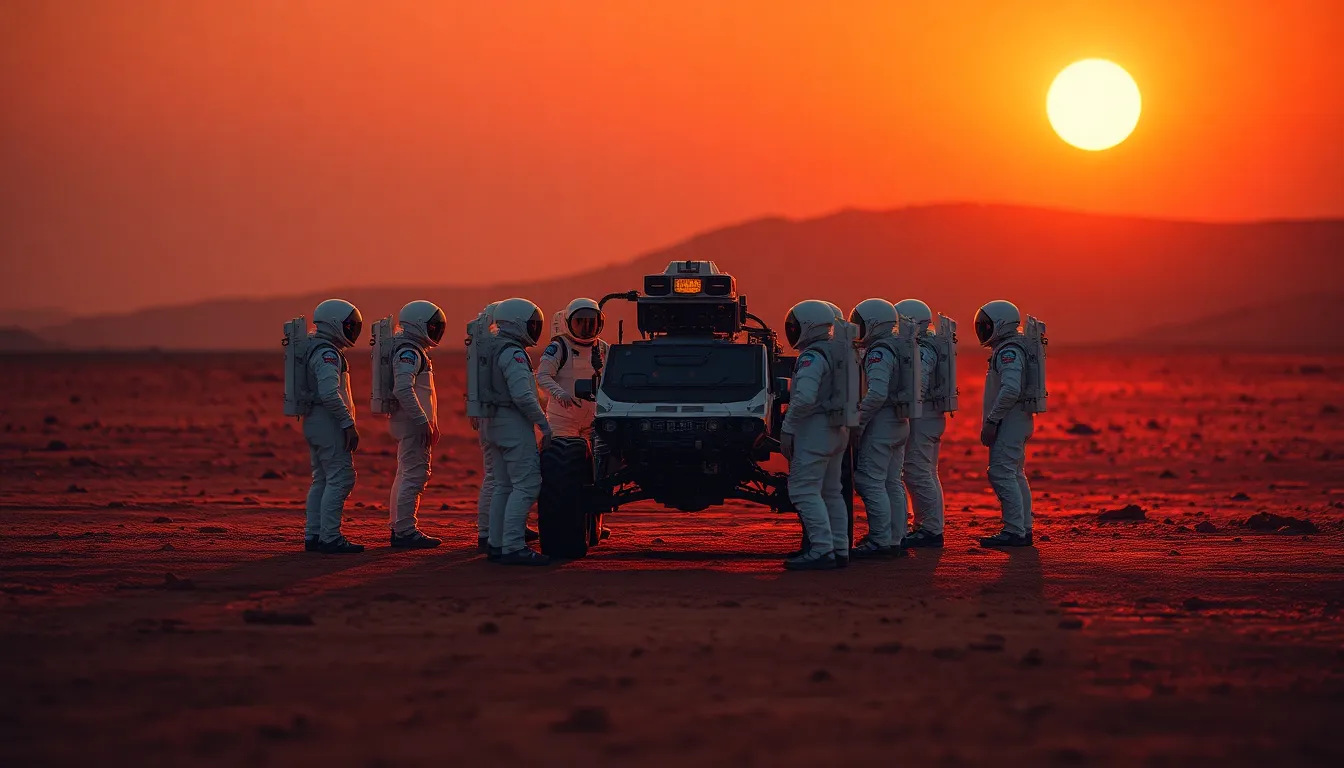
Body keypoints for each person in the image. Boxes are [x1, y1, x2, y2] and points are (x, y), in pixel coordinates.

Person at [482, 298, 554, 565]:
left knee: (503, 485)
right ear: (517, 323)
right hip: (512, 424)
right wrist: (543, 424)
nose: (535, 329)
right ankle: (513, 546)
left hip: (493, 423)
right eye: (531, 324)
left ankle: (496, 543)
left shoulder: (490, 347)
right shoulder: (513, 353)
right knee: (527, 484)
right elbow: (523, 395)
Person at [780, 300, 850, 571]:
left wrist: (788, 427)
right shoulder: (838, 352)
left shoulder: (812, 357)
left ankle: (821, 549)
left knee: (803, 490)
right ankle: (839, 548)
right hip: (837, 429)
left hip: (815, 431)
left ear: (808, 326)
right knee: (831, 492)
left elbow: (805, 397)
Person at [847, 299, 911, 559]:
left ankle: (880, 540)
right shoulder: (897, 346)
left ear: (873, 324)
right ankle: (896, 536)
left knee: (869, 481)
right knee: (891, 482)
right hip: (899, 421)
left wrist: (858, 422)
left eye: (860, 323)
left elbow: (877, 393)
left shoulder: (879, 352)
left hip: (882, 423)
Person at [303, 299, 365, 554]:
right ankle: (330, 537)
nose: (352, 330)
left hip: (316, 420)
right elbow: (329, 393)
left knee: (322, 478)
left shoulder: (316, 348)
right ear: (334, 324)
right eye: (349, 325)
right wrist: (347, 423)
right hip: (328, 421)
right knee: (340, 478)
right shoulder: (327, 354)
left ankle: (314, 534)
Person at [386, 300, 446, 549]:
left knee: (406, 473)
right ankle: (405, 531)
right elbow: (402, 388)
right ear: (419, 324)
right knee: (414, 474)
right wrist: (422, 420)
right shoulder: (409, 352)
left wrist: (429, 420)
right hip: (413, 423)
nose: (436, 331)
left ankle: (400, 527)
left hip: (413, 421)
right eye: (432, 327)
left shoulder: (412, 350)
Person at [975, 300, 1034, 547]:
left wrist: (992, 421)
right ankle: (1023, 528)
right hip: (1016, 419)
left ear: (1000, 324)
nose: (982, 330)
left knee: (1001, 472)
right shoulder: (1011, 348)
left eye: (987, 325)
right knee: (1015, 473)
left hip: (1009, 420)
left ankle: (1014, 530)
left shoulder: (1008, 352)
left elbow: (1010, 389)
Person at [895, 298, 946, 548]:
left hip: (922, 415)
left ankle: (930, 530)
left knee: (917, 471)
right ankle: (927, 526)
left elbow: (919, 384)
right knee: (925, 472)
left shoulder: (923, 349)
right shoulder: (927, 345)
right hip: (928, 415)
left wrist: (903, 404)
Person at [536, 298, 608, 439]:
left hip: (594, 417)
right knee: (561, 450)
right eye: (580, 323)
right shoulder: (560, 347)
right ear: (567, 322)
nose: (586, 328)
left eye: (591, 323)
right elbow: (542, 376)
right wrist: (559, 393)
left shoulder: (603, 348)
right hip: (562, 418)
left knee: (600, 452)